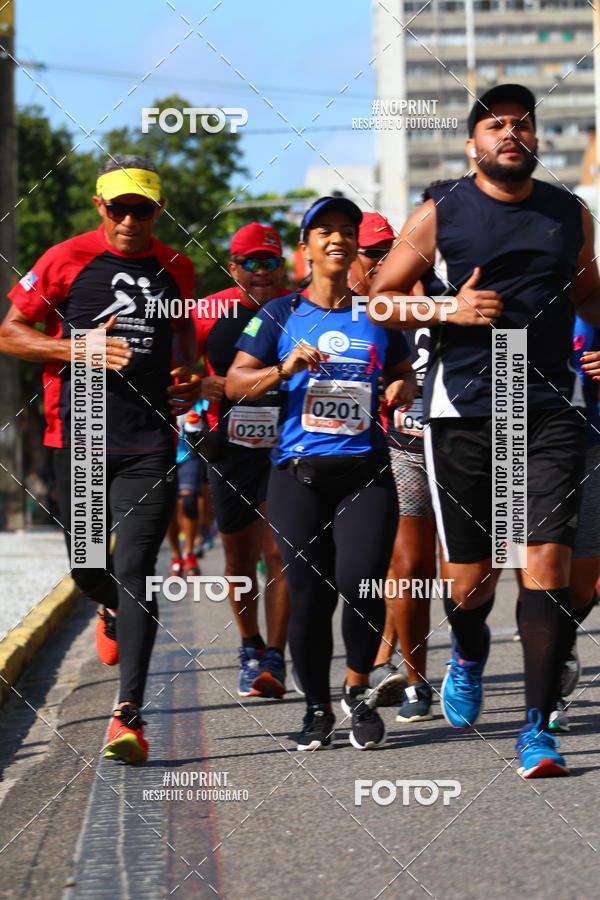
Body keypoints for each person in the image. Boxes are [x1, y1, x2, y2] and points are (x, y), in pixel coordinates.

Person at [370, 84, 600, 778]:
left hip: (551, 405)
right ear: (474, 144)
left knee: (548, 563)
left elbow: (591, 291)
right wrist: (448, 309)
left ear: (536, 139)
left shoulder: (569, 214)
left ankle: (538, 729)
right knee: (472, 583)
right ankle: (468, 651)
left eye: (522, 124)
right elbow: (380, 300)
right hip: (464, 410)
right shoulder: (441, 211)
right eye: (496, 124)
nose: (511, 132)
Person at [0, 154, 203, 764]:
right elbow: (10, 332)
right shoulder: (65, 259)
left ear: (157, 210)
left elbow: (185, 336)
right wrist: (75, 349)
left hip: (150, 438)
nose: (130, 221)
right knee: (89, 569)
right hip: (80, 435)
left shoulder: (178, 268)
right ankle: (108, 605)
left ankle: (128, 716)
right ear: (100, 206)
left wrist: (191, 374)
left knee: (138, 567)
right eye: (119, 209)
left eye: (142, 209)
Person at [227, 196, 416, 750]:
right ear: (305, 247)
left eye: (346, 231)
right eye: (324, 231)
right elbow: (235, 383)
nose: (337, 239)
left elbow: (404, 374)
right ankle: (314, 707)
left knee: (361, 583)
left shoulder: (377, 313)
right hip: (297, 475)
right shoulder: (279, 314)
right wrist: (281, 369)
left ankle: (356, 692)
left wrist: (402, 387)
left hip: (365, 472)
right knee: (309, 597)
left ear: (356, 245)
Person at [194, 223, 291, 698]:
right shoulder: (207, 312)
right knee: (239, 556)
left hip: (286, 448)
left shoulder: (299, 307)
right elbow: (180, 367)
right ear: (233, 267)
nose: (261, 273)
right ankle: (249, 645)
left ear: (283, 266)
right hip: (230, 448)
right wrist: (197, 383)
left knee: (279, 552)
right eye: (250, 263)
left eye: (270, 262)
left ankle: (276, 654)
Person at [349, 212, 435, 718]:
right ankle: (413, 678)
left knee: (470, 573)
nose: (383, 260)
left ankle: (464, 656)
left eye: (390, 250)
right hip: (399, 446)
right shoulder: (353, 313)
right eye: (372, 253)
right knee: (406, 564)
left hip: (462, 441)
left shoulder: (443, 289)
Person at [167, 400, 209, 577]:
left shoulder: (195, 392)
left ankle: (189, 553)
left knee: (189, 502)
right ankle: (176, 556)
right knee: (168, 508)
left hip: (188, 456)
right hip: (162, 455)